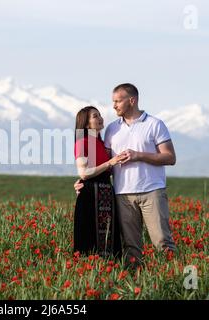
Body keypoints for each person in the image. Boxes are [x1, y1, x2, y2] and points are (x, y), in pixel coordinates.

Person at [74, 84, 177, 268]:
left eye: (117, 101)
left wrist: (138, 155)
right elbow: (104, 164)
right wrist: (84, 181)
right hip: (122, 195)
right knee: (131, 247)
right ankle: (136, 288)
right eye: (113, 101)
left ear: (132, 100)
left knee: (163, 242)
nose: (113, 105)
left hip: (152, 191)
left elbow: (170, 157)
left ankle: (177, 284)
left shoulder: (155, 124)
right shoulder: (112, 129)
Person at [73, 106, 126, 258]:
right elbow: (83, 172)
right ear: (86, 124)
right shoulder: (82, 142)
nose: (100, 118)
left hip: (105, 194)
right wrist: (111, 162)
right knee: (90, 239)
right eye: (95, 116)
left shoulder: (100, 143)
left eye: (100, 115)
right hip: (91, 196)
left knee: (109, 237)